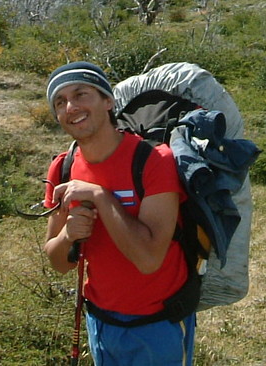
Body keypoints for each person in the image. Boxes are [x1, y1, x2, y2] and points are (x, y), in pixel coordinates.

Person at [42, 61, 195, 366]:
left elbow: (149, 260)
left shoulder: (153, 160)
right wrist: (69, 234)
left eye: (81, 94)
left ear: (108, 102)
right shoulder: (64, 167)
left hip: (158, 325)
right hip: (100, 322)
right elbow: (57, 262)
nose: (71, 107)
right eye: (60, 102)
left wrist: (100, 197)